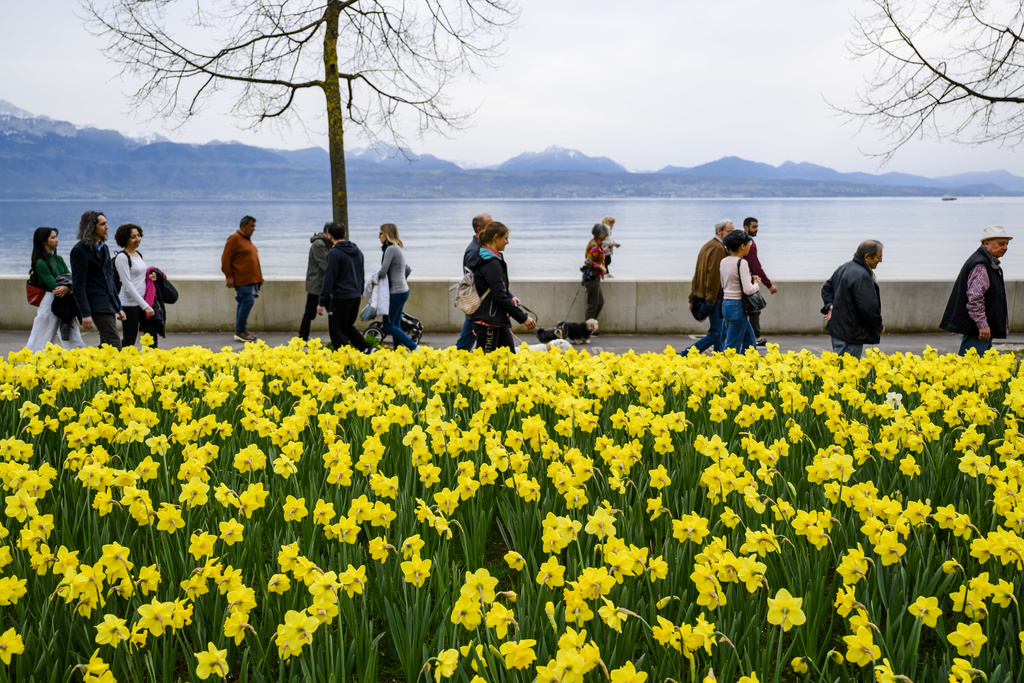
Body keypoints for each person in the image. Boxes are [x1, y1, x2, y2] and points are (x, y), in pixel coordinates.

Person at [940, 225, 1012, 356]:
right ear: (986, 243)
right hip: (978, 330)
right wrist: (982, 325)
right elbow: (975, 299)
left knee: (979, 369)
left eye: (1007, 244)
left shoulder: (988, 263)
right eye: (1001, 244)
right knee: (969, 369)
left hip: (980, 329)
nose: (1005, 248)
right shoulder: (981, 264)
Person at [467, 221, 536, 352]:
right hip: (489, 321)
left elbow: (495, 288)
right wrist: (523, 318)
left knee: (509, 361)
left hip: (496, 319)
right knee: (486, 366)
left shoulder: (485, 257)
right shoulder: (491, 262)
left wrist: (510, 296)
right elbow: (499, 296)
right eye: (505, 238)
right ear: (496, 237)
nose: (507, 242)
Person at [820, 240, 885, 359]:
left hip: (838, 331)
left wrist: (830, 305)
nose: (881, 260)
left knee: (838, 369)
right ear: (867, 257)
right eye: (879, 257)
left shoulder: (844, 267)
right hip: (850, 334)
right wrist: (879, 327)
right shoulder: (862, 276)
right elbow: (869, 308)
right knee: (848, 372)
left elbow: (826, 288)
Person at [70, 210, 125, 348]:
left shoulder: (104, 248)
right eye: (103, 224)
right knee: (114, 342)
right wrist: (85, 313)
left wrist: (118, 306)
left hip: (108, 303)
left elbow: (109, 280)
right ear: (91, 226)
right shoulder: (79, 250)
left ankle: (90, 367)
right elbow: (78, 285)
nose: (107, 227)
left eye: (106, 223)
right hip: (96, 304)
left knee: (106, 344)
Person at [26, 227, 86, 351]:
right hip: (49, 303)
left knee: (73, 337)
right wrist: (69, 287)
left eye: (56, 237)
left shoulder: (58, 259)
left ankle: (79, 363)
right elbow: (55, 287)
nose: (57, 240)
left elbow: (71, 278)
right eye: (53, 238)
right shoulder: (40, 263)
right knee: (41, 337)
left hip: (65, 302)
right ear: (43, 241)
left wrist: (67, 288)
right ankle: (29, 364)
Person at [317, 222, 371, 353]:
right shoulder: (358, 251)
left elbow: (329, 278)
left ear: (330, 236)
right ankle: (367, 348)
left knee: (337, 331)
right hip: (355, 296)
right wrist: (359, 291)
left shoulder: (334, 254)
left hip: (340, 297)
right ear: (345, 234)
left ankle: (343, 363)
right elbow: (361, 274)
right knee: (347, 326)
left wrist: (321, 301)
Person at [682, 219, 735, 355]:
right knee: (716, 333)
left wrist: (693, 297)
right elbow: (714, 277)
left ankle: (719, 359)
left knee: (721, 333)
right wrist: (710, 300)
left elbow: (697, 273)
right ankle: (685, 354)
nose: (732, 234)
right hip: (714, 298)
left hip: (705, 296)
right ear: (719, 231)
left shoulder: (707, 246)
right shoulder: (718, 249)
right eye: (729, 231)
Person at [113, 223, 160, 348]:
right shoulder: (122, 257)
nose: (137, 239)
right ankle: (115, 364)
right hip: (130, 304)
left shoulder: (138, 254)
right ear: (125, 239)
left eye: (139, 235)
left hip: (144, 302)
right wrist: (145, 306)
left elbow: (139, 276)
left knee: (151, 338)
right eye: (133, 237)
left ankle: (151, 365)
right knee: (129, 340)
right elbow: (127, 285)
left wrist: (152, 277)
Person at [221, 215, 263, 343]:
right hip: (242, 280)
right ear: (243, 226)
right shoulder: (234, 239)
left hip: (250, 280)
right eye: (251, 226)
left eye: (254, 226)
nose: (253, 229)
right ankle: (240, 331)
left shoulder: (246, 239)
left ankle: (241, 331)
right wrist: (228, 276)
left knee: (244, 302)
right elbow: (225, 259)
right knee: (247, 301)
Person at [377, 223, 417, 350]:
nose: (379, 237)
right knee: (396, 324)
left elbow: (383, 272)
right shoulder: (397, 248)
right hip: (402, 290)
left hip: (396, 292)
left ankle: (413, 346)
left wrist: (374, 276)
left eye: (381, 233)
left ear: (387, 234)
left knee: (388, 325)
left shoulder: (391, 249)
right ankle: (398, 351)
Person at [720, 230, 761, 352]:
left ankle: (747, 368)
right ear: (742, 246)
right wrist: (756, 283)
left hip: (726, 304)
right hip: (738, 306)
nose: (750, 246)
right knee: (732, 347)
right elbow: (748, 290)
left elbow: (723, 284)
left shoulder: (723, 261)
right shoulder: (741, 263)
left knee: (750, 341)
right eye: (748, 244)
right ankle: (726, 370)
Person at [456, 213, 493, 350]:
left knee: (467, 342)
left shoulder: (478, 248)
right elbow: (478, 280)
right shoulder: (475, 251)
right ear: (480, 230)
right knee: (464, 345)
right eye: (491, 225)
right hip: (478, 306)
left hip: (478, 306)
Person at [742, 217, 777, 346]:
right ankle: (756, 338)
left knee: (749, 310)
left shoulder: (746, 242)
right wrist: (769, 285)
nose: (757, 229)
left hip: (745, 279)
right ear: (746, 228)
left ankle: (753, 337)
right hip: (749, 281)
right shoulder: (748, 244)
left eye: (757, 226)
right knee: (754, 309)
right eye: (754, 227)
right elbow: (755, 266)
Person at [299, 223, 332, 341]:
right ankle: (302, 337)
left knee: (331, 312)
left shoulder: (325, 243)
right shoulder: (319, 244)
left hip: (321, 284)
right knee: (310, 313)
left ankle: (303, 337)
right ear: (328, 231)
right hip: (317, 285)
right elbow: (325, 265)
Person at [584, 224, 608, 323]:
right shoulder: (594, 245)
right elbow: (589, 261)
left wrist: (604, 250)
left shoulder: (596, 243)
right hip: (592, 276)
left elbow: (596, 255)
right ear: (602, 235)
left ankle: (591, 325)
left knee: (599, 302)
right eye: (605, 234)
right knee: (593, 304)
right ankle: (588, 328)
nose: (607, 235)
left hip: (595, 276)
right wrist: (601, 267)